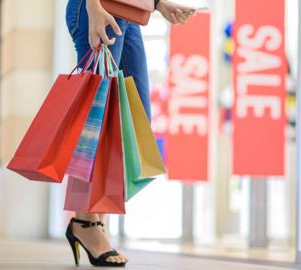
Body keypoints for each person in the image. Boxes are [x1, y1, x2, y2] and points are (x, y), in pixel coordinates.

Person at [64, 0, 195, 267]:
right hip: (99, 6)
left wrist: (156, 3)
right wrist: (92, 5)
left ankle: (95, 221)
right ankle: (85, 221)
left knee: (130, 119)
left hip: (129, 13)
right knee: (98, 119)